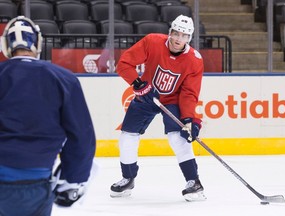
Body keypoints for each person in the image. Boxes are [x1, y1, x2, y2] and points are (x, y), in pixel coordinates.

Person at [0, 16, 96, 216]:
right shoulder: (63, 79)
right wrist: (73, 179)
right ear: (37, 44)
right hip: (36, 184)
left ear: (6, 46)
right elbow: (82, 137)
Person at [110, 14, 206, 202]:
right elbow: (124, 63)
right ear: (170, 32)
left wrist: (188, 119)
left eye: (184, 36)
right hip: (146, 95)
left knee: (178, 138)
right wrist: (138, 84)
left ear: (190, 38)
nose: (179, 39)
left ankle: (194, 182)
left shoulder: (195, 60)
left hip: (173, 100)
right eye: (176, 33)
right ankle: (128, 178)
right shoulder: (152, 42)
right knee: (127, 135)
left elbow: (189, 92)